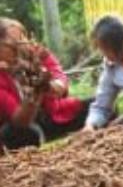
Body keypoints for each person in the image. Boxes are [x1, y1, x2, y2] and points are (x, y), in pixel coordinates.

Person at [0, 17, 91, 149]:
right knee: (21, 133)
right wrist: (34, 94)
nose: (21, 47)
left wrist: (46, 83)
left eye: (22, 39)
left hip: (53, 115)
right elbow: (20, 120)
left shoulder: (37, 53)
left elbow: (62, 83)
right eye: (13, 44)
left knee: (99, 107)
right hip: (25, 125)